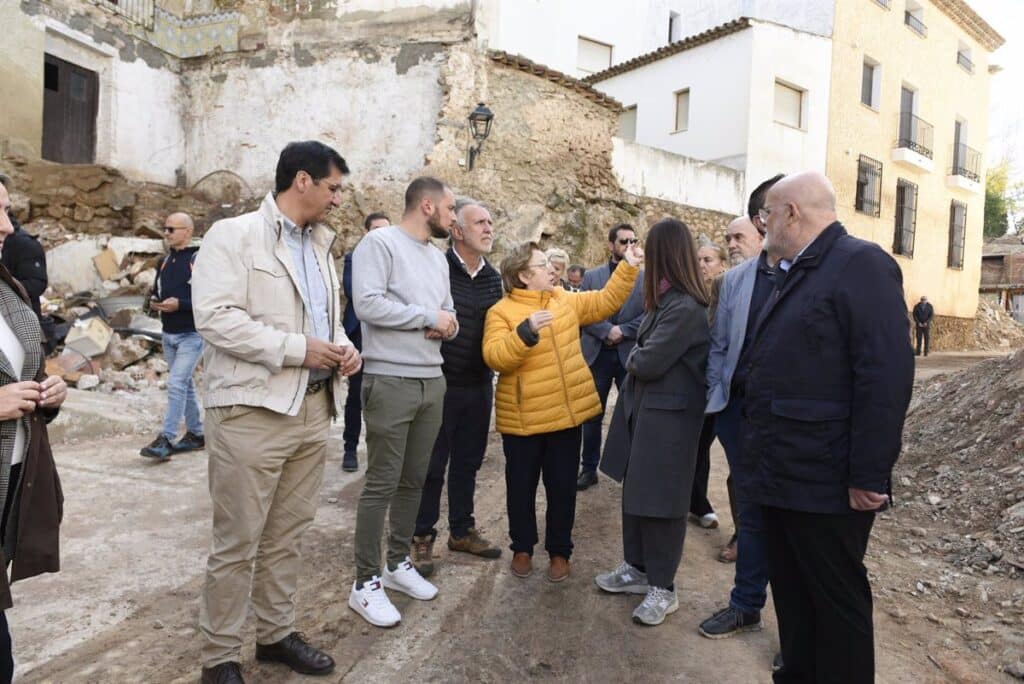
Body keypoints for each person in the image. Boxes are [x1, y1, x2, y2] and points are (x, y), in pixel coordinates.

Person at [192, 141, 361, 684]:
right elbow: (215, 319)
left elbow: (322, 319)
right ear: (304, 181)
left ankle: (275, 634)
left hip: (313, 410)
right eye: (334, 187)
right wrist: (298, 349)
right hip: (250, 412)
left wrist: (341, 345)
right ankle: (219, 655)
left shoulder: (321, 247)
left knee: (288, 534)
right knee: (238, 539)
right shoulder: (233, 235)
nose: (339, 199)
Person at [746, 171, 913, 682]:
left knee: (835, 603)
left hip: (826, 480)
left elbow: (885, 376)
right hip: (783, 473)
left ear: (792, 212)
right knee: (793, 596)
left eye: (768, 214)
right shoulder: (799, 269)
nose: (763, 224)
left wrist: (868, 473)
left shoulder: (861, 265)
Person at [483, 240, 642, 582]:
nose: (552, 270)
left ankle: (559, 552)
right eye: (544, 265)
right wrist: (524, 334)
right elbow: (495, 356)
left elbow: (604, 301)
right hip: (523, 421)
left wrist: (628, 266)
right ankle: (522, 548)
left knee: (562, 487)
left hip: (564, 418)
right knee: (521, 487)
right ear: (524, 276)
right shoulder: (501, 312)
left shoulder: (564, 301)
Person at [348, 177, 458, 628]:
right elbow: (367, 305)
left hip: (432, 379)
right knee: (382, 482)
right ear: (428, 206)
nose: (454, 217)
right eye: (451, 209)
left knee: (416, 479)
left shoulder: (438, 258)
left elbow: (448, 312)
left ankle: (396, 564)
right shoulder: (380, 243)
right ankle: (365, 581)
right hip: (390, 378)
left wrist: (446, 326)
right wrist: (426, 319)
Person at [595, 218, 710, 626]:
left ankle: (664, 585)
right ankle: (638, 569)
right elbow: (642, 350)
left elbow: (647, 358)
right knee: (638, 494)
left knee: (663, 502)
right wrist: (637, 354)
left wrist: (636, 355)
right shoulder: (666, 300)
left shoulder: (686, 307)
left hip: (670, 422)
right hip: (647, 414)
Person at [698, 177, 785, 673]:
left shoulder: (813, 275)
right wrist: (718, 399)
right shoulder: (733, 282)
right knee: (751, 513)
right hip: (738, 415)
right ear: (764, 218)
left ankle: (797, 630)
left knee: (792, 524)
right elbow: (719, 345)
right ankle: (746, 603)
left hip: (792, 426)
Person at [411, 200, 504, 576]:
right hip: (440, 383)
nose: (488, 227)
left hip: (479, 385)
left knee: (468, 461)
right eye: (480, 221)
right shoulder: (435, 267)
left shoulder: (493, 277)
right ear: (458, 231)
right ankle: (421, 537)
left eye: (491, 221)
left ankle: (462, 531)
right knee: (432, 465)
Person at [0, 183, 67, 684]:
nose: (6, 227)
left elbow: (24, 369)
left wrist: (48, 393)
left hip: (12, 480)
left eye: (5, 211)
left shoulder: (9, 289)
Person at [576, 224, 645, 490]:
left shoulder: (644, 278)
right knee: (592, 414)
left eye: (633, 240)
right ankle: (589, 468)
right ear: (611, 245)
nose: (629, 245)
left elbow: (649, 314)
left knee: (630, 414)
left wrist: (623, 331)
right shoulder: (591, 277)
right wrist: (606, 330)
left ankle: (630, 470)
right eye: (624, 241)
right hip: (597, 354)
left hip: (629, 354)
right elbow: (582, 311)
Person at [140, 212, 205, 461]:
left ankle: (166, 437)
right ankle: (196, 433)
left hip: (191, 334)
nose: (166, 233)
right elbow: (158, 290)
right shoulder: (165, 261)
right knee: (185, 383)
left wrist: (181, 304)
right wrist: (156, 303)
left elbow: (207, 298)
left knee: (177, 383)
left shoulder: (197, 259)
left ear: (187, 231)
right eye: (165, 229)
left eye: (171, 229)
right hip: (169, 334)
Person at [341, 211, 390, 472]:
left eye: (386, 229)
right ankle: (349, 448)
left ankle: (378, 452)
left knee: (383, 395)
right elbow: (354, 291)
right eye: (376, 229)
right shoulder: (354, 258)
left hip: (387, 333)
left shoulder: (397, 259)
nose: (382, 234)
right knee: (356, 394)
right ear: (366, 233)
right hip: (360, 332)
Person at [689, 239, 728, 530]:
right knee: (691, 445)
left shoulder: (729, 294)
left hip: (715, 384)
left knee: (702, 445)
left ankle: (697, 502)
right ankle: (695, 502)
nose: (702, 265)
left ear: (722, 264)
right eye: (698, 259)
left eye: (708, 260)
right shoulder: (687, 295)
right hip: (688, 382)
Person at [0, 177, 47, 322]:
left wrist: (6, 293)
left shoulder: (26, 244)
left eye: (6, 210)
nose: (7, 227)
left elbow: (37, 283)